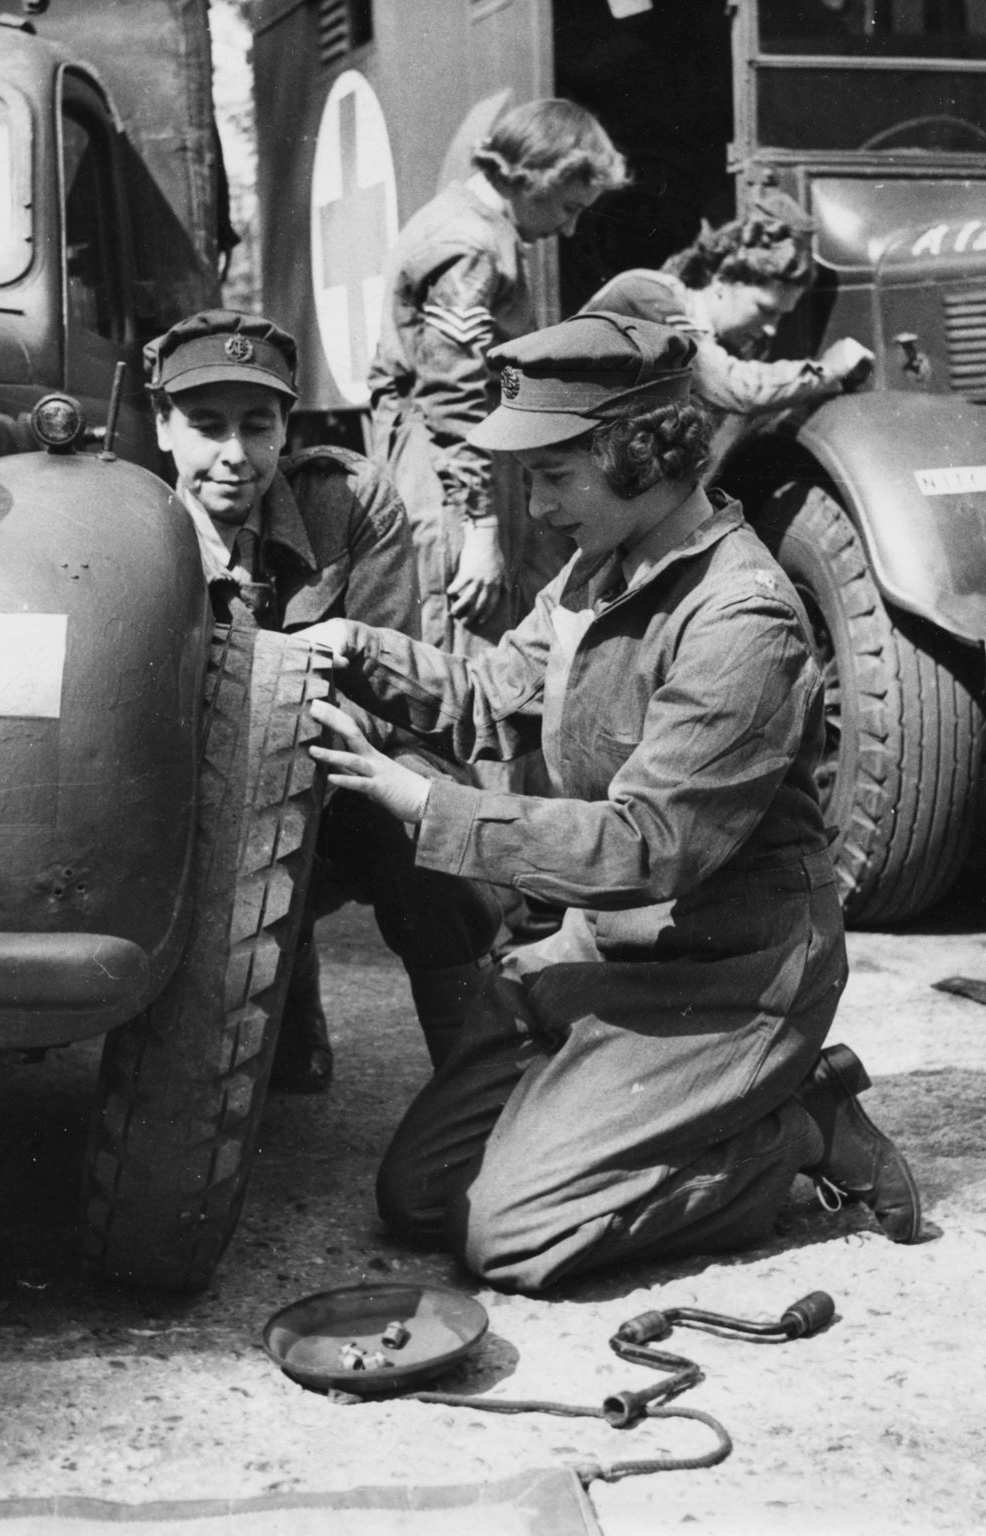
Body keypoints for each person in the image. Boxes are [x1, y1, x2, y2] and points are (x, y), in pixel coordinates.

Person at [299, 311, 922, 1292]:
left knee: (512, 1239)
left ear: (638, 453)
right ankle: (656, 1112)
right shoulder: (599, 573)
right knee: (422, 1200)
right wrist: (357, 652)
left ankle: (796, 1127)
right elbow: (490, 699)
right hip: (608, 952)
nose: (537, 507)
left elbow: (650, 846)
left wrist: (427, 806)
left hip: (731, 973)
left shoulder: (742, 617)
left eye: (554, 475)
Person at [144, 310, 501, 1093]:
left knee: (418, 810)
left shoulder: (346, 500)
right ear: (162, 426)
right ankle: (283, 1000)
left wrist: (281, 740)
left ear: (285, 428)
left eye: (258, 426)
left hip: (324, 772)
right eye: (207, 426)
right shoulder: (131, 523)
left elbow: (389, 689)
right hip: (187, 798)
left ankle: (482, 1092)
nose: (235, 455)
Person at [369, 97, 628, 657]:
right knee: (462, 659)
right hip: (454, 485)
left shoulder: (476, 228)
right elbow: (453, 399)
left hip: (471, 474)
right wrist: (482, 530)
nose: (571, 225)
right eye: (567, 206)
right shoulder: (470, 246)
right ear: (532, 177)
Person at [584, 187, 874, 474]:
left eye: (782, 317)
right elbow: (735, 388)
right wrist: (828, 369)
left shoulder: (728, 346)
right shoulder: (646, 297)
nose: (772, 329)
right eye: (765, 310)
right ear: (723, 280)